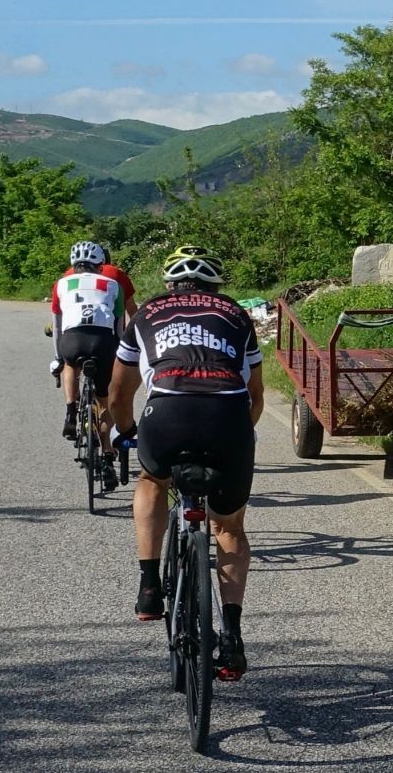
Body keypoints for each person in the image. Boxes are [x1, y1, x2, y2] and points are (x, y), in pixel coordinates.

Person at [109, 245, 263, 680]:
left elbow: (120, 393)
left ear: (169, 286)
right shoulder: (236, 315)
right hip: (227, 416)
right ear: (215, 287)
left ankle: (149, 586)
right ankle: (231, 638)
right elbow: (256, 396)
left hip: (168, 416)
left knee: (152, 480)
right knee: (228, 527)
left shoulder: (147, 315)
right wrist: (238, 434)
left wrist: (125, 432)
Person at [51, 241, 129, 455]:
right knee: (105, 401)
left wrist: (58, 357)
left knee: (69, 364)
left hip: (72, 340)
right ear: (100, 264)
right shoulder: (113, 285)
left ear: (73, 264)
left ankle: (70, 410)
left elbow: (57, 327)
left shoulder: (62, 284)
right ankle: (106, 450)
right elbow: (119, 328)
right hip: (103, 342)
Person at [49, 239, 138, 385]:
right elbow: (131, 309)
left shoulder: (68, 276)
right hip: (106, 336)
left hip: (73, 335)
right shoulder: (117, 275)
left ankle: (71, 404)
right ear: (102, 263)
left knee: (69, 363)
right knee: (107, 374)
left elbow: (66, 305)